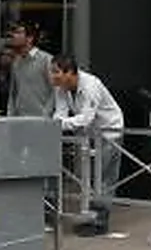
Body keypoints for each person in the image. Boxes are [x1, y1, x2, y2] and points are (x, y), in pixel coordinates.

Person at [51, 55, 125, 236]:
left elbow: (85, 118)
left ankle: (100, 221)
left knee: (103, 177)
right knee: (89, 177)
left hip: (109, 131)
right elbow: (59, 113)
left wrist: (59, 124)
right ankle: (91, 217)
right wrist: (58, 123)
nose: (53, 77)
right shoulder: (61, 87)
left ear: (69, 72)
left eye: (56, 72)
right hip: (88, 134)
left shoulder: (91, 85)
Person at [6, 21, 55, 119]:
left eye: (18, 32)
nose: (14, 36)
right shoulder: (16, 62)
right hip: (19, 120)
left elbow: (55, 90)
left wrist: (46, 114)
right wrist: (10, 115)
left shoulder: (46, 60)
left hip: (41, 121)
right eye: (13, 32)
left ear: (30, 38)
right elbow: (13, 92)